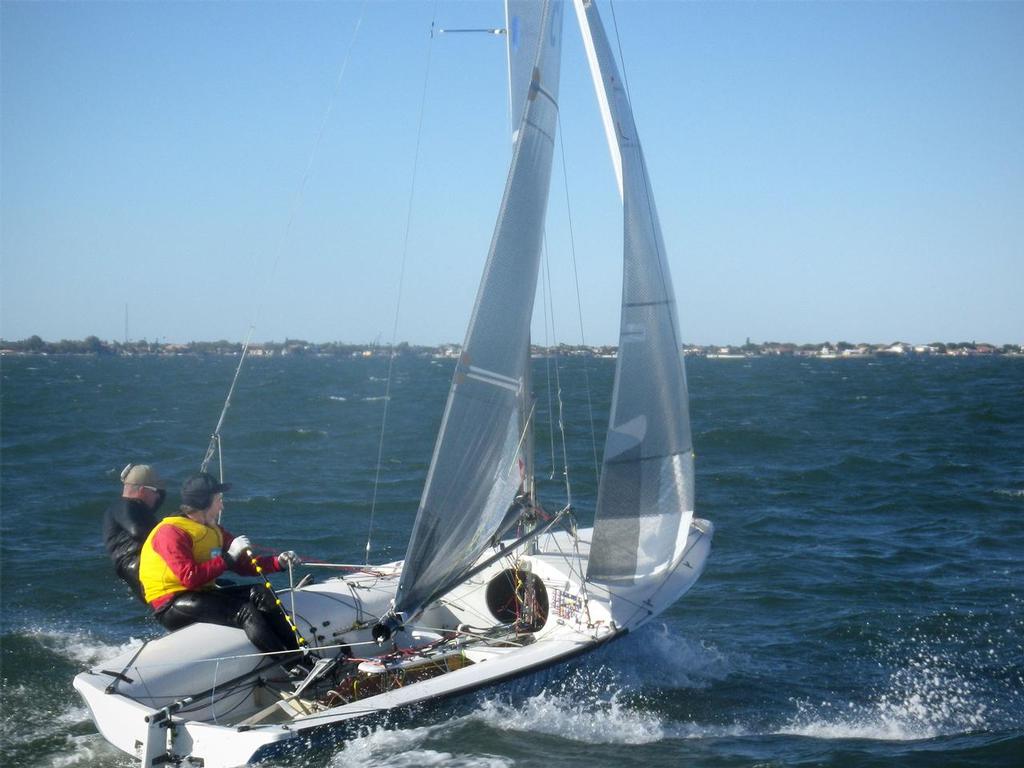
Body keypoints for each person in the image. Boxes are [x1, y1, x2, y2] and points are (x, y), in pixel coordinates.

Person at [138, 471, 303, 655]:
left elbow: (242, 564)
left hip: (201, 595)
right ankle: (290, 662)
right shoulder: (170, 532)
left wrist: (277, 563)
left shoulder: (213, 529)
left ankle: (300, 654)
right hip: (171, 605)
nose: (221, 506)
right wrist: (229, 556)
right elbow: (189, 577)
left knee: (260, 592)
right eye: (218, 500)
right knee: (245, 611)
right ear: (204, 503)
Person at [104, 463, 167, 602]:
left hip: (141, 565)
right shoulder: (124, 505)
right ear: (143, 491)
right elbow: (137, 531)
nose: (158, 497)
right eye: (155, 491)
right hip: (136, 566)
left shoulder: (138, 508)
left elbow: (160, 497)